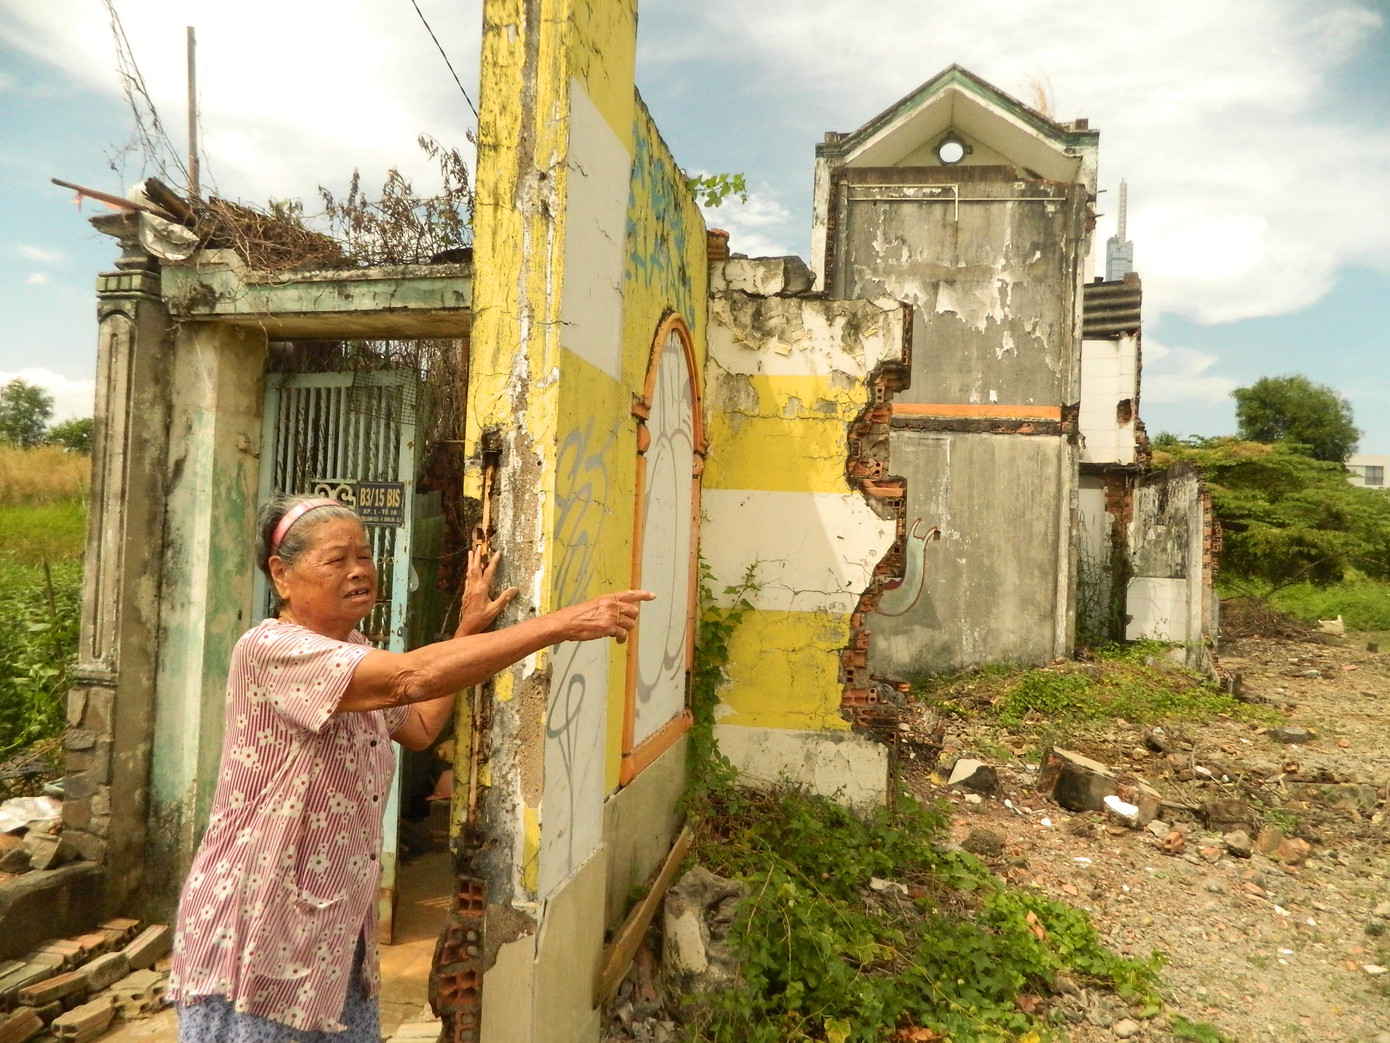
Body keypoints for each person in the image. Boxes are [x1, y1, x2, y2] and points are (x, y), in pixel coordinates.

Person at [167, 494, 654, 1042]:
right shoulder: (273, 649)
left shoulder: (351, 649)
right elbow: (409, 679)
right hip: (261, 920)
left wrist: (467, 633)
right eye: (336, 560)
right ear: (281, 574)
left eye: (365, 556)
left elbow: (419, 724)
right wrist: (560, 624)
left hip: (328, 930)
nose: (358, 571)